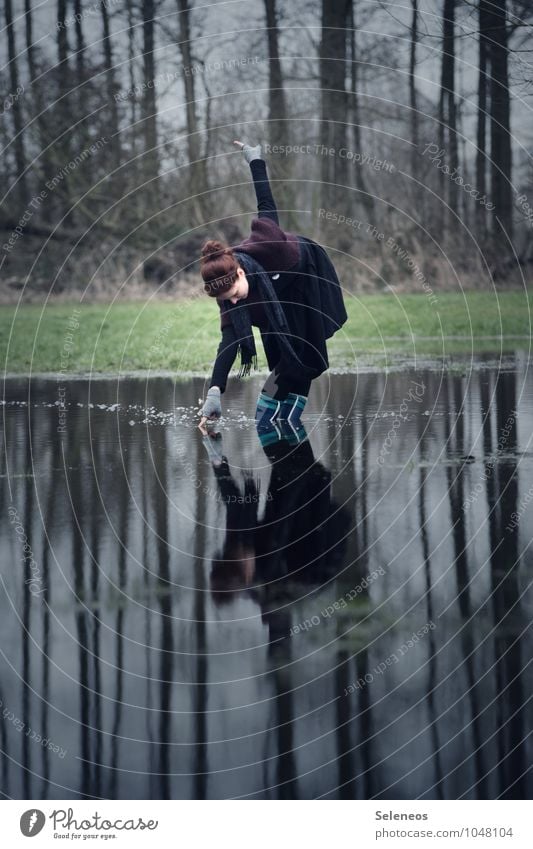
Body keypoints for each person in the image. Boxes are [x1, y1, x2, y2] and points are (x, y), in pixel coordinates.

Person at [198, 140, 347, 432]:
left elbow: (265, 203)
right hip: (270, 302)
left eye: (235, 295)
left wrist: (255, 160)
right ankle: (281, 426)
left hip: (302, 276)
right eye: (228, 300)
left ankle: (281, 423)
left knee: (305, 354)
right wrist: (215, 391)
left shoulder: (269, 244)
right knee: (279, 358)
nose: (234, 302)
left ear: (240, 273)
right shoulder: (228, 295)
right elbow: (228, 342)